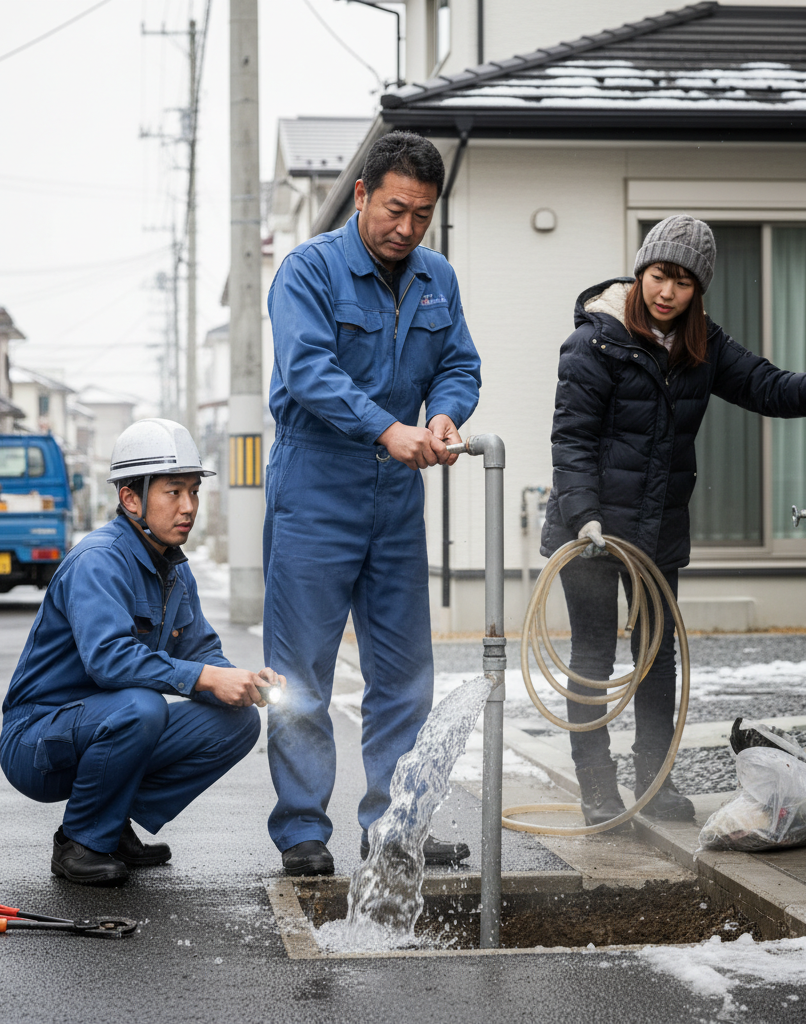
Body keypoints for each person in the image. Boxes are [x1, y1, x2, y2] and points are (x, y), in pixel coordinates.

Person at [541, 215, 806, 826]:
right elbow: (571, 441)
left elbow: (767, 385)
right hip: (589, 530)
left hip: (656, 532)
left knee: (656, 654)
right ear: (641, 271)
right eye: (658, 275)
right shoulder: (593, 342)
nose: (666, 291)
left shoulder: (702, 348)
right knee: (593, 658)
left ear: (698, 290)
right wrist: (585, 517)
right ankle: (597, 789)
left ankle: (655, 782)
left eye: (682, 282)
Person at [264, 131, 482, 876]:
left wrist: (446, 415)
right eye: (395, 209)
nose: (407, 228)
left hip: (395, 495)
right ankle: (301, 831)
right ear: (361, 195)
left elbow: (458, 362)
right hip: (315, 482)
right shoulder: (309, 271)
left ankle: (395, 826)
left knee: (404, 672)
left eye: (423, 216)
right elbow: (307, 373)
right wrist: (388, 428)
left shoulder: (436, 279)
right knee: (301, 673)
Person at [0, 418, 284, 885]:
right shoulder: (99, 561)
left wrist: (244, 682)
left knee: (235, 722)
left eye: (194, 491)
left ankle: (110, 826)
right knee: (141, 706)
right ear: (130, 498)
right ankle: (81, 841)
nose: (188, 506)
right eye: (174, 492)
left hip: (99, 726)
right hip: (36, 741)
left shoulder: (172, 567)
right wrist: (205, 679)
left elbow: (202, 650)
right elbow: (109, 659)